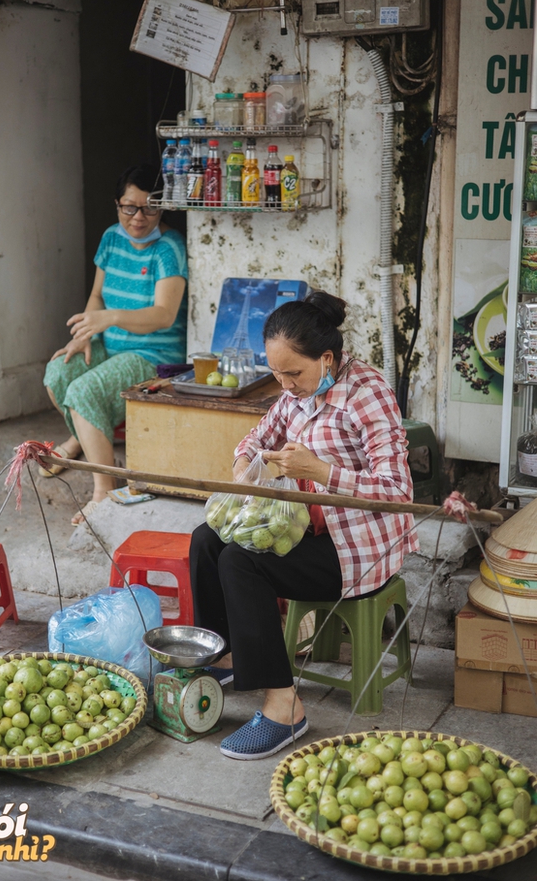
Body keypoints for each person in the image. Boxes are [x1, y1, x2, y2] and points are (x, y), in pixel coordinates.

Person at [190, 291, 420, 760]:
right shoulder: (293, 395)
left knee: (242, 562)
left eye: (293, 373)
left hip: (357, 545)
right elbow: (258, 437)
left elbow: (398, 492)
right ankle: (230, 656)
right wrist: (244, 464)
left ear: (328, 358)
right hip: (310, 528)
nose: (285, 384)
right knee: (206, 539)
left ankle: (284, 708)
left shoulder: (367, 395)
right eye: (276, 373)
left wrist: (322, 472)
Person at [43, 163, 187, 525]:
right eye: (129, 206)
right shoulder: (110, 238)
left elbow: (164, 314)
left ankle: (103, 490)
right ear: (117, 205)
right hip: (110, 346)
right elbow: (96, 296)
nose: (138, 217)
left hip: (153, 354)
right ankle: (87, 442)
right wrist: (85, 334)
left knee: (84, 391)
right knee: (59, 373)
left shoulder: (169, 248)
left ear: (162, 206)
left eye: (149, 207)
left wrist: (110, 317)